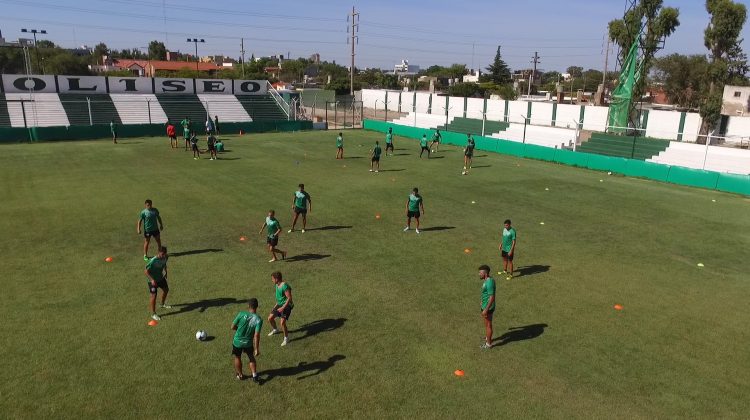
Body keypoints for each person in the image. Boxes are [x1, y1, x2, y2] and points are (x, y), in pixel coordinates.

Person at [231, 298, 262, 383]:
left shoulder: (241, 314)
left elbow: (232, 327)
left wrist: (239, 330)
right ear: (257, 307)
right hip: (248, 343)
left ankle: (240, 375)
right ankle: (254, 375)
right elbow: (256, 335)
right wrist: (256, 348)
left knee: (237, 357)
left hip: (237, 342)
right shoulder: (259, 319)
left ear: (248, 306)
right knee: (251, 357)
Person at [267, 271, 293, 347]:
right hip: (279, 304)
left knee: (282, 323)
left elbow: (289, 298)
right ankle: (275, 329)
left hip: (287, 305)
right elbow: (279, 298)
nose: (272, 280)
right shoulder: (277, 285)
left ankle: (286, 338)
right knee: (270, 318)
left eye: (272, 279)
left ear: (276, 279)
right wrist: (275, 306)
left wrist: (283, 308)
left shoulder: (285, 286)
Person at [145, 246, 171, 321]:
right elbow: (146, 271)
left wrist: (166, 271)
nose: (163, 256)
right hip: (152, 280)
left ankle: (162, 304)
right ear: (158, 253)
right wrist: (152, 280)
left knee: (166, 290)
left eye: (164, 254)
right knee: (154, 295)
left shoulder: (166, 257)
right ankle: (153, 314)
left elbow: (164, 263)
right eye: (162, 254)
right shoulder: (153, 260)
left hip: (160, 277)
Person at [478, 265, 496, 349]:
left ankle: (488, 344)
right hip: (485, 305)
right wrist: (482, 300)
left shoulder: (489, 282)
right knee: (486, 324)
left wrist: (486, 309)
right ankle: (487, 337)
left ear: (485, 273)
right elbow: (485, 293)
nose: (479, 274)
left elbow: (492, 297)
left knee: (488, 325)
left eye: (480, 273)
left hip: (488, 307)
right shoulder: (486, 280)